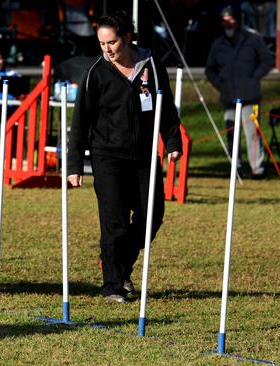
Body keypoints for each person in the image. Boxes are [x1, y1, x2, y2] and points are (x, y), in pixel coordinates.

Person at [67, 12, 183, 303]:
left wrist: (172, 142)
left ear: (127, 37)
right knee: (114, 224)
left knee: (151, 217)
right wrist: (74, 165)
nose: (107, 48)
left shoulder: (151, 66)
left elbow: (165, 106)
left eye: (113, 42)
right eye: (102, 43)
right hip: (108, 157)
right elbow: (80, 121)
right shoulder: (96, 72)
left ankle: (119, 265)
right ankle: (112, 286)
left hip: (144, 156)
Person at [205, 5, 274, 179]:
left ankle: (257, 168)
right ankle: (235, 166)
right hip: (229, 97)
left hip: (250, 97)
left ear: (238, 20)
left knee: (253, 134)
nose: (228, 24)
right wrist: (219, 84)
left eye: (231, 19)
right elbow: (210, 69)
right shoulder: (218, 43)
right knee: (231, 134)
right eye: (224, 21)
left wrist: (254, 78)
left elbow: (267, 60)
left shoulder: (253, 39)